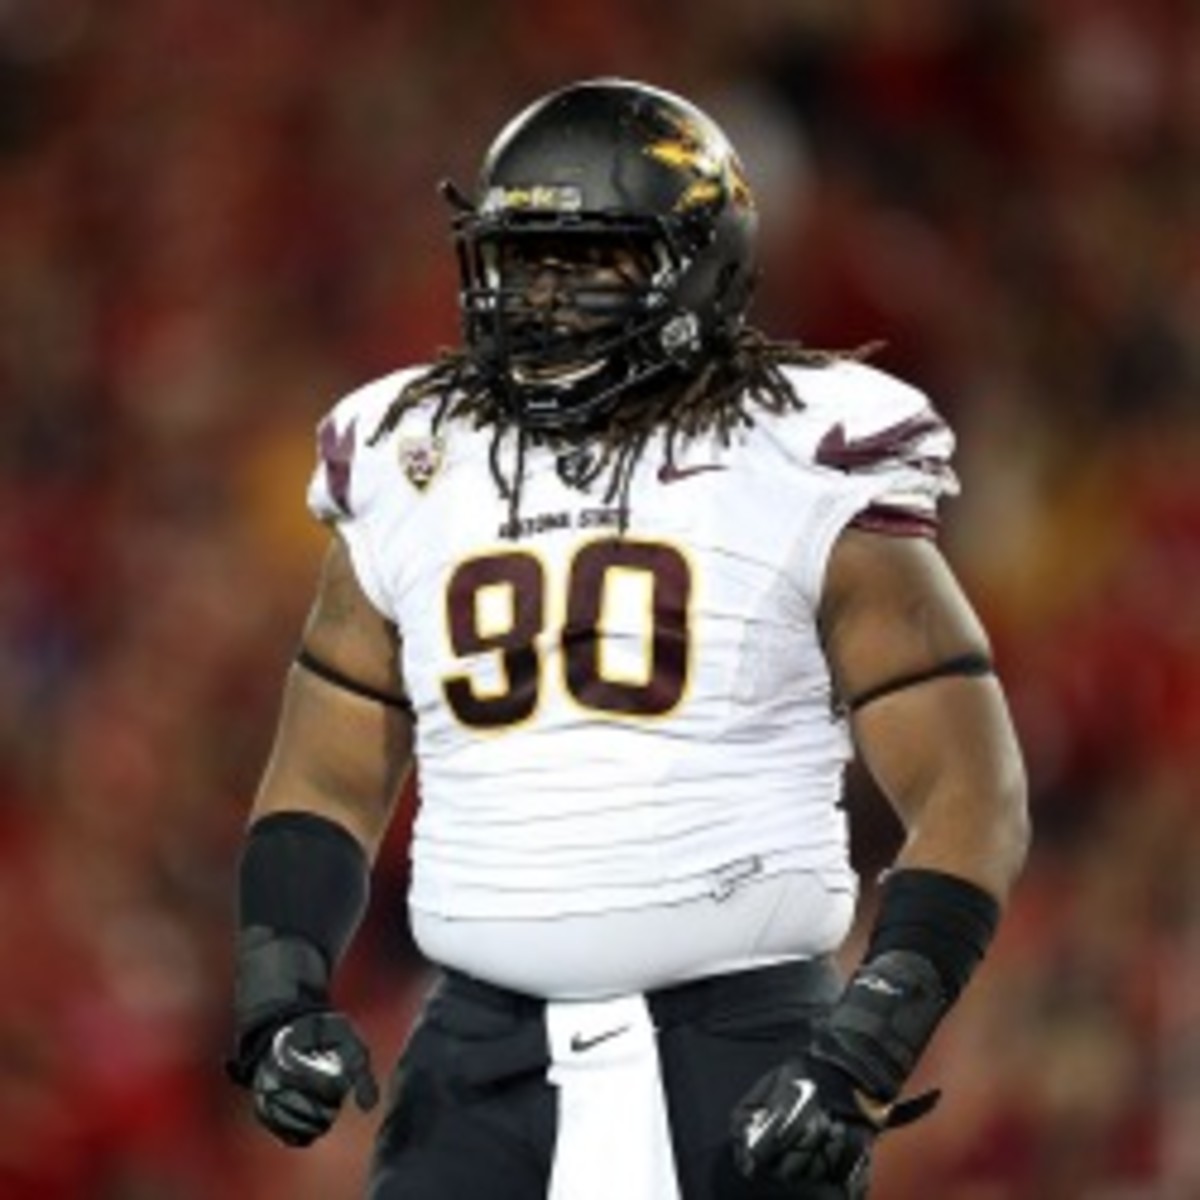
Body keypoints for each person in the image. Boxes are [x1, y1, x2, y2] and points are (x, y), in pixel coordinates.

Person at [226, 77, 1030, 1200]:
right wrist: (281, 992)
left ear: (698, 265)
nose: (539, 297)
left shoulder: (798, 458)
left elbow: (972, 790)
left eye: (587, 257)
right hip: (476, 1063)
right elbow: (322, 771)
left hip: (739, 1044)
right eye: (520, 259)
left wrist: (867, 1044)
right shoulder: (410, 453)